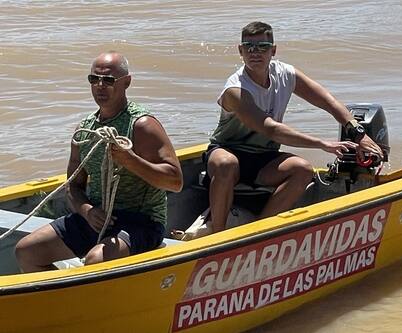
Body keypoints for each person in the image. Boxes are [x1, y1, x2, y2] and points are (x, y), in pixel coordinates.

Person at [204, 21, 383, 233]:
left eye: (262, 46)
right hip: (227, 151)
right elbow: (270, 129)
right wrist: (322, 144)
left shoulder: (285, 74)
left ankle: (259, 230)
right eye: (249, 47)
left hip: (263, 156)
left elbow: (327, 101)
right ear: (240, 51)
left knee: (303, 170)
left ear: (273, 50)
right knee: (226, 163)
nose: (255, 52)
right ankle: (217, 234)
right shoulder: (235, 90)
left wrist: (357, 132)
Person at [15, 51, 183, 272]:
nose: (100, 86)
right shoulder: (84, 131)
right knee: (26, 251)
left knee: (97, 260)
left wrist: (130, 161)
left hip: (141, 221)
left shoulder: (142, 125)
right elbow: (73, 186)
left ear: (127, 82)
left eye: (108, 80)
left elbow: (175, 182)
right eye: (94, 79)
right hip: (97, 218)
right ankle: (68, 302)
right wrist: (87, 211)